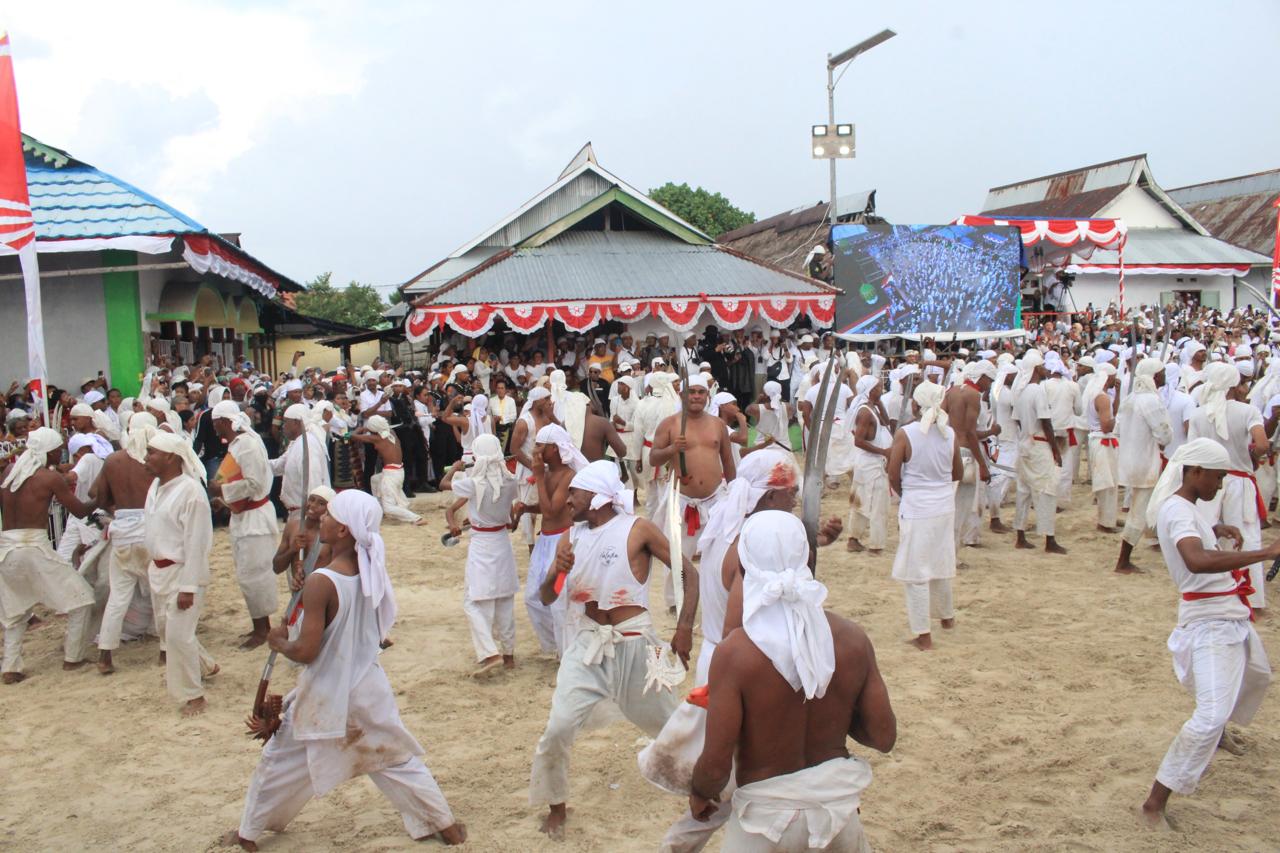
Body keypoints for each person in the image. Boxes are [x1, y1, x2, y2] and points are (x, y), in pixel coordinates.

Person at [229, 490, 466, 850]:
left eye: (330, 516)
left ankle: (247, 834)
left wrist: (279, 642)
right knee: (395, 760)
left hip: (326, 690)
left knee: (277, 762)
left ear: (343, 531)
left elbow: (307, 652)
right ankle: (445, 826)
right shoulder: (367, 570)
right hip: (367, 686)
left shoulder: (322, 581)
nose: (321, 518)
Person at [689, 511, 896, 852]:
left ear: (744, 567)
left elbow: (716, 763)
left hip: (765, 821)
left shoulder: (735, 654)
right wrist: (835, 714)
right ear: (807, 559)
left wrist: (699, 793)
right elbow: (883, 737)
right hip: (837, 814)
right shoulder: (852, 639)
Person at [529, 460, 699, 840]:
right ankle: (557, 805)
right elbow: (547, 596)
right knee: (557, 728)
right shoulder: (570, 537)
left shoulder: (636, 529)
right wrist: (556, 570)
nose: (568, 499)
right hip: (588, 643)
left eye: (575, 492)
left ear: (598, 497)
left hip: (635, 642)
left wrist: (684, 627)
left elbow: (688, 571)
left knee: (671, 727)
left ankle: (708, 788)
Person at [1139, 438, 1275, 830]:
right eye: (1217, 478)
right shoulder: (1179, 512)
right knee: (1211, 712)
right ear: (1195, 472)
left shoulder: (1187, 508)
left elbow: (1193, 537)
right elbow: (1196, 560)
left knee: (1255, 676)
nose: (1220, 485)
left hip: (1225, 614)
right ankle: (1154, 802)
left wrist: (1213, 527)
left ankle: (1216, 735)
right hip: (1209, 621)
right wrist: (1265, 553)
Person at [0, 428, 97, 682]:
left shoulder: (10, 472)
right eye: (57, 450)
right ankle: (73, 658)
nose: (59, 453)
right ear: (48, 450)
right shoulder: (48, 478)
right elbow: (79, 510)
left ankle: (10, 668)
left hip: (6, 550)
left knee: (15, 612)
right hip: (34, 547)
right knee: (82, 599)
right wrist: (101, 498)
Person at [143, 431, 219, 715]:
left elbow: (197, 542)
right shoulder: (156, 486)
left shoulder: (191, 492)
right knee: (168, 629)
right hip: (159, 570)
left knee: (178, 635)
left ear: (170, 458)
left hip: (183, 572)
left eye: (151, 452)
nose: (146, 457)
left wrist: (189, 586)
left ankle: (194, 695)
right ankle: (206, 665)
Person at [650, 374, 737, 608]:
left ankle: (718, 596)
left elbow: (728, 461)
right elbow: (653, 458)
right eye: (692, 392)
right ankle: (674, 601)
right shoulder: (669, 424)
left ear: (707, 396)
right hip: (682, 500)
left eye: (701, 392)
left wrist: (735, 493)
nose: (696, 396)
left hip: (715, 499)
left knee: (719, 551)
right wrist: (672, 448)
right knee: (677, 552)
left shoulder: (718, 425)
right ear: (682, 395)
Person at [1187, 362, 1267, 612]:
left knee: (1211, 535)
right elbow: (1262, 444)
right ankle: (1251, 598)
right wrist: (1251, 458)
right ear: (1235, 384)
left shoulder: (1200, 413)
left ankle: (1216, 589)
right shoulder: (1247, 411)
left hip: (1206, 481)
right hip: (1239, 481)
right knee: (1246, 537)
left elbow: (1192, 452)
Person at [888, 382, 962, 651]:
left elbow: (893, 473)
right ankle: (947, 618)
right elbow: (957, 473)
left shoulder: (907, 434)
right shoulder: (948, 433)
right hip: (943, 504)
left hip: (918, 506)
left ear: (915, 405)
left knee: (916, 571)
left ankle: (923, 635)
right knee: (940, 560)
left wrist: (909, 493)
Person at [443, 434, 519, 677]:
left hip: (483, 543)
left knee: (475, 600)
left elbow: (443, 484)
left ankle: (489, 652)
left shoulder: (474, 482)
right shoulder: (510, 481)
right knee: (504, 598)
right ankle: (508, 655)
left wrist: (455, 469)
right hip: (501, 542)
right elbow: (508, 516)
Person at [210, 400, 281, 649]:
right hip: (243, 516)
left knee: (256, 574)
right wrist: (224, 500)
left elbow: (253, 483)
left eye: (215, 421)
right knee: (246, 574)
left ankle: (263, 629)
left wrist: (222, 488)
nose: (213, 426)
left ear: (222, 421)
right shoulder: (239, 444)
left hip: (255, 519)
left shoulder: (248, 445)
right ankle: (257, 624)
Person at [93, 413, 160, 675]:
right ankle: (165, 651)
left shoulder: (113, 460)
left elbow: (100, 498)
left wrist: (121, 507)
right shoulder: (156, 460)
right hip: (150, 529)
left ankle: (105, 655)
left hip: (122, 531)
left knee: (118, 598)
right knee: (160, 593)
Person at [515, 423, 587, 655]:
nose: (535, 450)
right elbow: (545, 507)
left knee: (559, 600)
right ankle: (555, 647)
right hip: (545, 542)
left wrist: (537, 476)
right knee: (533, 598)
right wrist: (527, 507)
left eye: (539, 445)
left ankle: (567, 652)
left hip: (561, 542)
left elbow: (552, 511)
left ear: (554, 449)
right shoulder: (548, 473)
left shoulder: (568, 476)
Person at [1116, 358, 1174, 574]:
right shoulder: (1151, 400)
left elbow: (1117, 428)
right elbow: (1164, 435)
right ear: (1154, 375)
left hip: (1130, 460)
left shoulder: (1131, 398)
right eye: (1162, 372)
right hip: (1145, 461)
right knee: (1139, 513)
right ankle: (1123, 560)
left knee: (1147, 508)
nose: (1164, 376)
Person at [1012, 351, 1067, 554]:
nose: (1046, 370)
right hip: (1039, 444)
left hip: (1026, 443)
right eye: (1042, 366)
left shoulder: (1021, 391)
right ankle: (1049, 538)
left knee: (1024, 491)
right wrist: (1055, 450)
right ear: (1036, 369)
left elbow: (1017, 419)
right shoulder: (1037, 390)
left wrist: (1027, 433)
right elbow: (1046, 422)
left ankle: (1020, 534)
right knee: (1047, 491)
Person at [943, 361, 996, 550]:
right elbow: (971, 433)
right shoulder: (973, 395)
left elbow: (940, 420)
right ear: (981, 377)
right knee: (963, 507)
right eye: (989, 380)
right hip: (966, 453)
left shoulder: (952, 391)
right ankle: (954, 552)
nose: (989, 385)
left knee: (949, 504)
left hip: (950, 450)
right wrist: (982, 464)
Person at [352, 415, 426, 526]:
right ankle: (379, 508)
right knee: (375, 479)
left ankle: (416, 518)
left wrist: (361, 429)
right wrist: (370, 428)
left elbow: (354, 436)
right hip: (398, 472)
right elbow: (383, 428)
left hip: (391, 474)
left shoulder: (377, 438)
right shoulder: (391, 433)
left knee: (389, 508)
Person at [848, 375, 892, 554]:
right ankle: (875, 545)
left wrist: (878, 401)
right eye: (879, 387)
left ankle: (854, 539)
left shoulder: (871, 407)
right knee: (877, 505)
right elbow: (858, 441)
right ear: (871, 389)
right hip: (870, 463)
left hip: (868, 463)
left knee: (861, 502)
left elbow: (886, 422)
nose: (882, 389)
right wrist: (883, 452)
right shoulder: (865, 412)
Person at [510, 387, 555, 553]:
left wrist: (553, 417)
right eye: (546, 399)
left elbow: (560, 434)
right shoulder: (524, 422)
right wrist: (533, 468)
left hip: (546, 468)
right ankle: (531, 546)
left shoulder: (547, 418)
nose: (550, 402)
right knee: (528, 508)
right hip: (529, 470)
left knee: (546, 503)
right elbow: (514, 449)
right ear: (537, 401)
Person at [270, 404, 331, 521]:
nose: (283, 426)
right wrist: (254, 461)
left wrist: (311, 516)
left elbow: (313, 482)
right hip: (297, 513)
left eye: (286, 422)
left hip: (306, 515)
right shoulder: (298, 443)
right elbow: (278, 466)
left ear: (297, 423)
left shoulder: (308, 444)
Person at [1084, 363, 1121, 533]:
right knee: (1107, 483)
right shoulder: (1101, 397)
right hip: (1102, 440)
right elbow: (1107, 425)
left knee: (1109, 481)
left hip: (1098, 439)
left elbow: (1110, 412)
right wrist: (1121, 419)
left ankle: (1109, 518)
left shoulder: (1096, 394)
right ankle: (1105, 523)